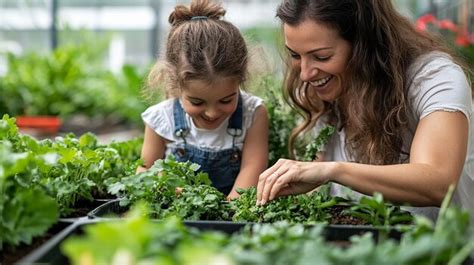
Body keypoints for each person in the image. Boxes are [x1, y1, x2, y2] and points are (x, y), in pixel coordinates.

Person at [257, 0, 473, 222]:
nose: (304, 74)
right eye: (295, 55)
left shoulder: (434, 78)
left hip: (441, 251)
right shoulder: (326, 90)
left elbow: (438, 183)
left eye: (321, 57)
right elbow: (317, 186)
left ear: (364, 45)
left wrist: (333, 171)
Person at [138, 0, 269, 199]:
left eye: (225, 101)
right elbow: (145, 170)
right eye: (197, 102)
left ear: (240, 81)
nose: (212, 112)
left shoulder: (253, 114)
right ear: (176, 85)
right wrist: (170, 191)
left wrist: (227, 212)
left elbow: (253, 168)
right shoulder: (162, 119)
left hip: (231, 213)